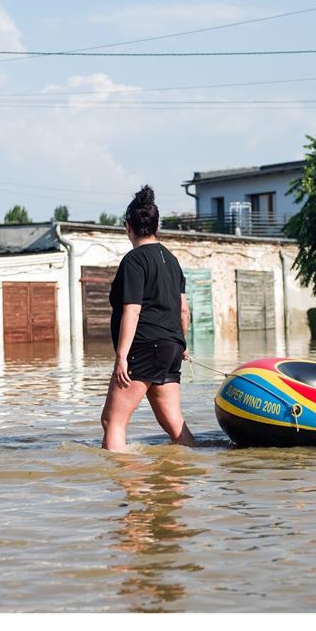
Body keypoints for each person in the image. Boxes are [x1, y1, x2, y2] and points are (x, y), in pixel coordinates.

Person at [100, 186, 196, 451]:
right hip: (170, 348)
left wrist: (121, 356)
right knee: (174, 424)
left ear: (127, 226)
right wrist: (182, 344)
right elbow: (183, 310)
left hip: (144, 348)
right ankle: (182, 482)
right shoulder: (172, 259)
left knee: (112, 421)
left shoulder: (134, 261)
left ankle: (128, 486)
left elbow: (132, 310)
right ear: (157, 226)